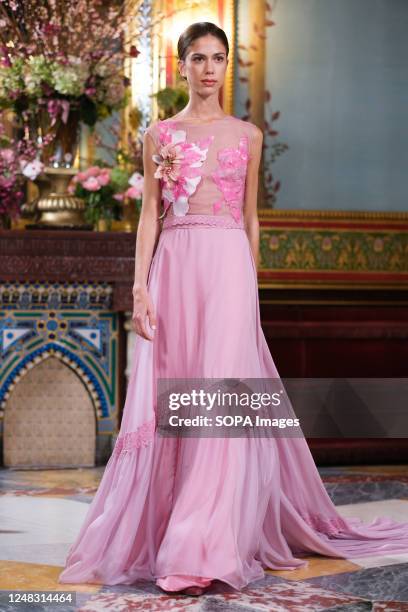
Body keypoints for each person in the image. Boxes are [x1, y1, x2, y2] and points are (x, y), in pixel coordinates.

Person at [59, 21, 408, 597]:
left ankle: (206, 543)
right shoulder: (159, 136)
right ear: (182, 66)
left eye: (218, 58)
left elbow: (250, 218)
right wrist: (139, 286)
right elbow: (149, 215)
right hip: (173, 268)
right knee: (176, 395)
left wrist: (251, 282)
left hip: (226, 270)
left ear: (226, 67)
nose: (208, 68)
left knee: (221, 398)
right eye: (197, 58)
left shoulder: (247, 135)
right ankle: (172, 530)